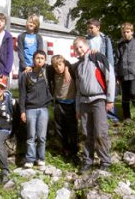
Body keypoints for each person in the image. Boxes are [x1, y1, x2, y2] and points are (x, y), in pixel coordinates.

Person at [73, 37, 115, 173]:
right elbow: (78, 89)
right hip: (84, 102)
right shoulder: (78, 66)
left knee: (100, 132)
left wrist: (110, 99)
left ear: (86, 46)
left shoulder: (97, 57)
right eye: (76, 48)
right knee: (86, 133)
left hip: (99, 100)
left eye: (80, 47)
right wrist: (77, 108)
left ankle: (105, 161)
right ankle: (87, 161)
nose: (79, 50)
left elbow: (110, 76)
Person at [19, 50, 52, 168]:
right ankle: (30, 159)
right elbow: (22, 94)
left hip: (43, 108)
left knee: (42, 137)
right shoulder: (26, 75)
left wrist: (67, 70)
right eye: (37, 58)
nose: (39, 60)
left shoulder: (47, 72)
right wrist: (22, 111)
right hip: (30, 109)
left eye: (42, 58)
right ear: (33, 60)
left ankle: (41, 158)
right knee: (31, 136)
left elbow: (63, 63)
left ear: (45, 60)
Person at [86, 18, 119, 124]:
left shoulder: (105, 39)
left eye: (91, 28)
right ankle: (99, 114)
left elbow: (110, 55)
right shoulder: (86, 40)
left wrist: (111, 70)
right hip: (92, 69)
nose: (89, 30)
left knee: (108, 90)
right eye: (88, 28)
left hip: (104, 68)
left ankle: (113, 117)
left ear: (98, 27)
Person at [47, 55, 78, 163]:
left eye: (60, 65)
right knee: (60, 129)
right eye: (55, 66)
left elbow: (69, 62)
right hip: (58, 104)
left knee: (72, 129)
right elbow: (43, 66)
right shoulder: (52, 73)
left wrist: (67, 69)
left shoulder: (71, 70)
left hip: (71, 104)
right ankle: (66, 150)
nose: (58, 68)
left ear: (64, 64)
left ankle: (74, 152)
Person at [115, 22, 135, 121]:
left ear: (132, 32)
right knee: (124, 97)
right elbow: (116, 61)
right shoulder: (119, 45)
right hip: (123, 75)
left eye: (128, 32)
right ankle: (127, 118)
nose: (126, 34)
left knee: (133, 94)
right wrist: (117, 76)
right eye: (124, 32)